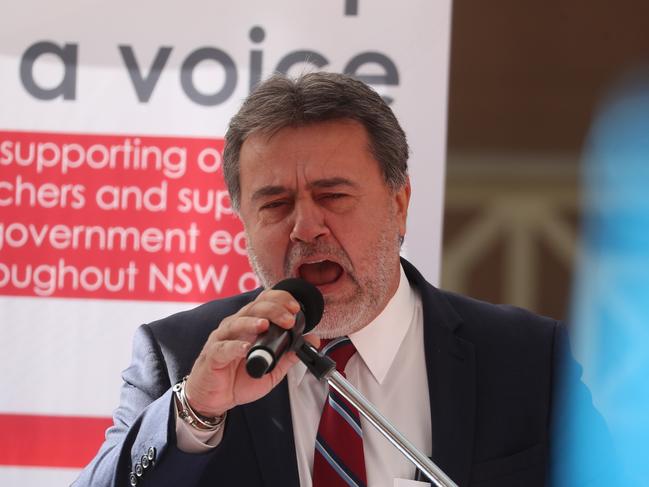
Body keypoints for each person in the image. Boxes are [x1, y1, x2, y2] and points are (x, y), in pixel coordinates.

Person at [74, 72, 598, 487]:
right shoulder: (181, 356)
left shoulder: (525, 358)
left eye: (333, 196)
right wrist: (198, 412)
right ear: (244, 223)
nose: (305, 226)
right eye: (275, 204)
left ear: (399, 203)